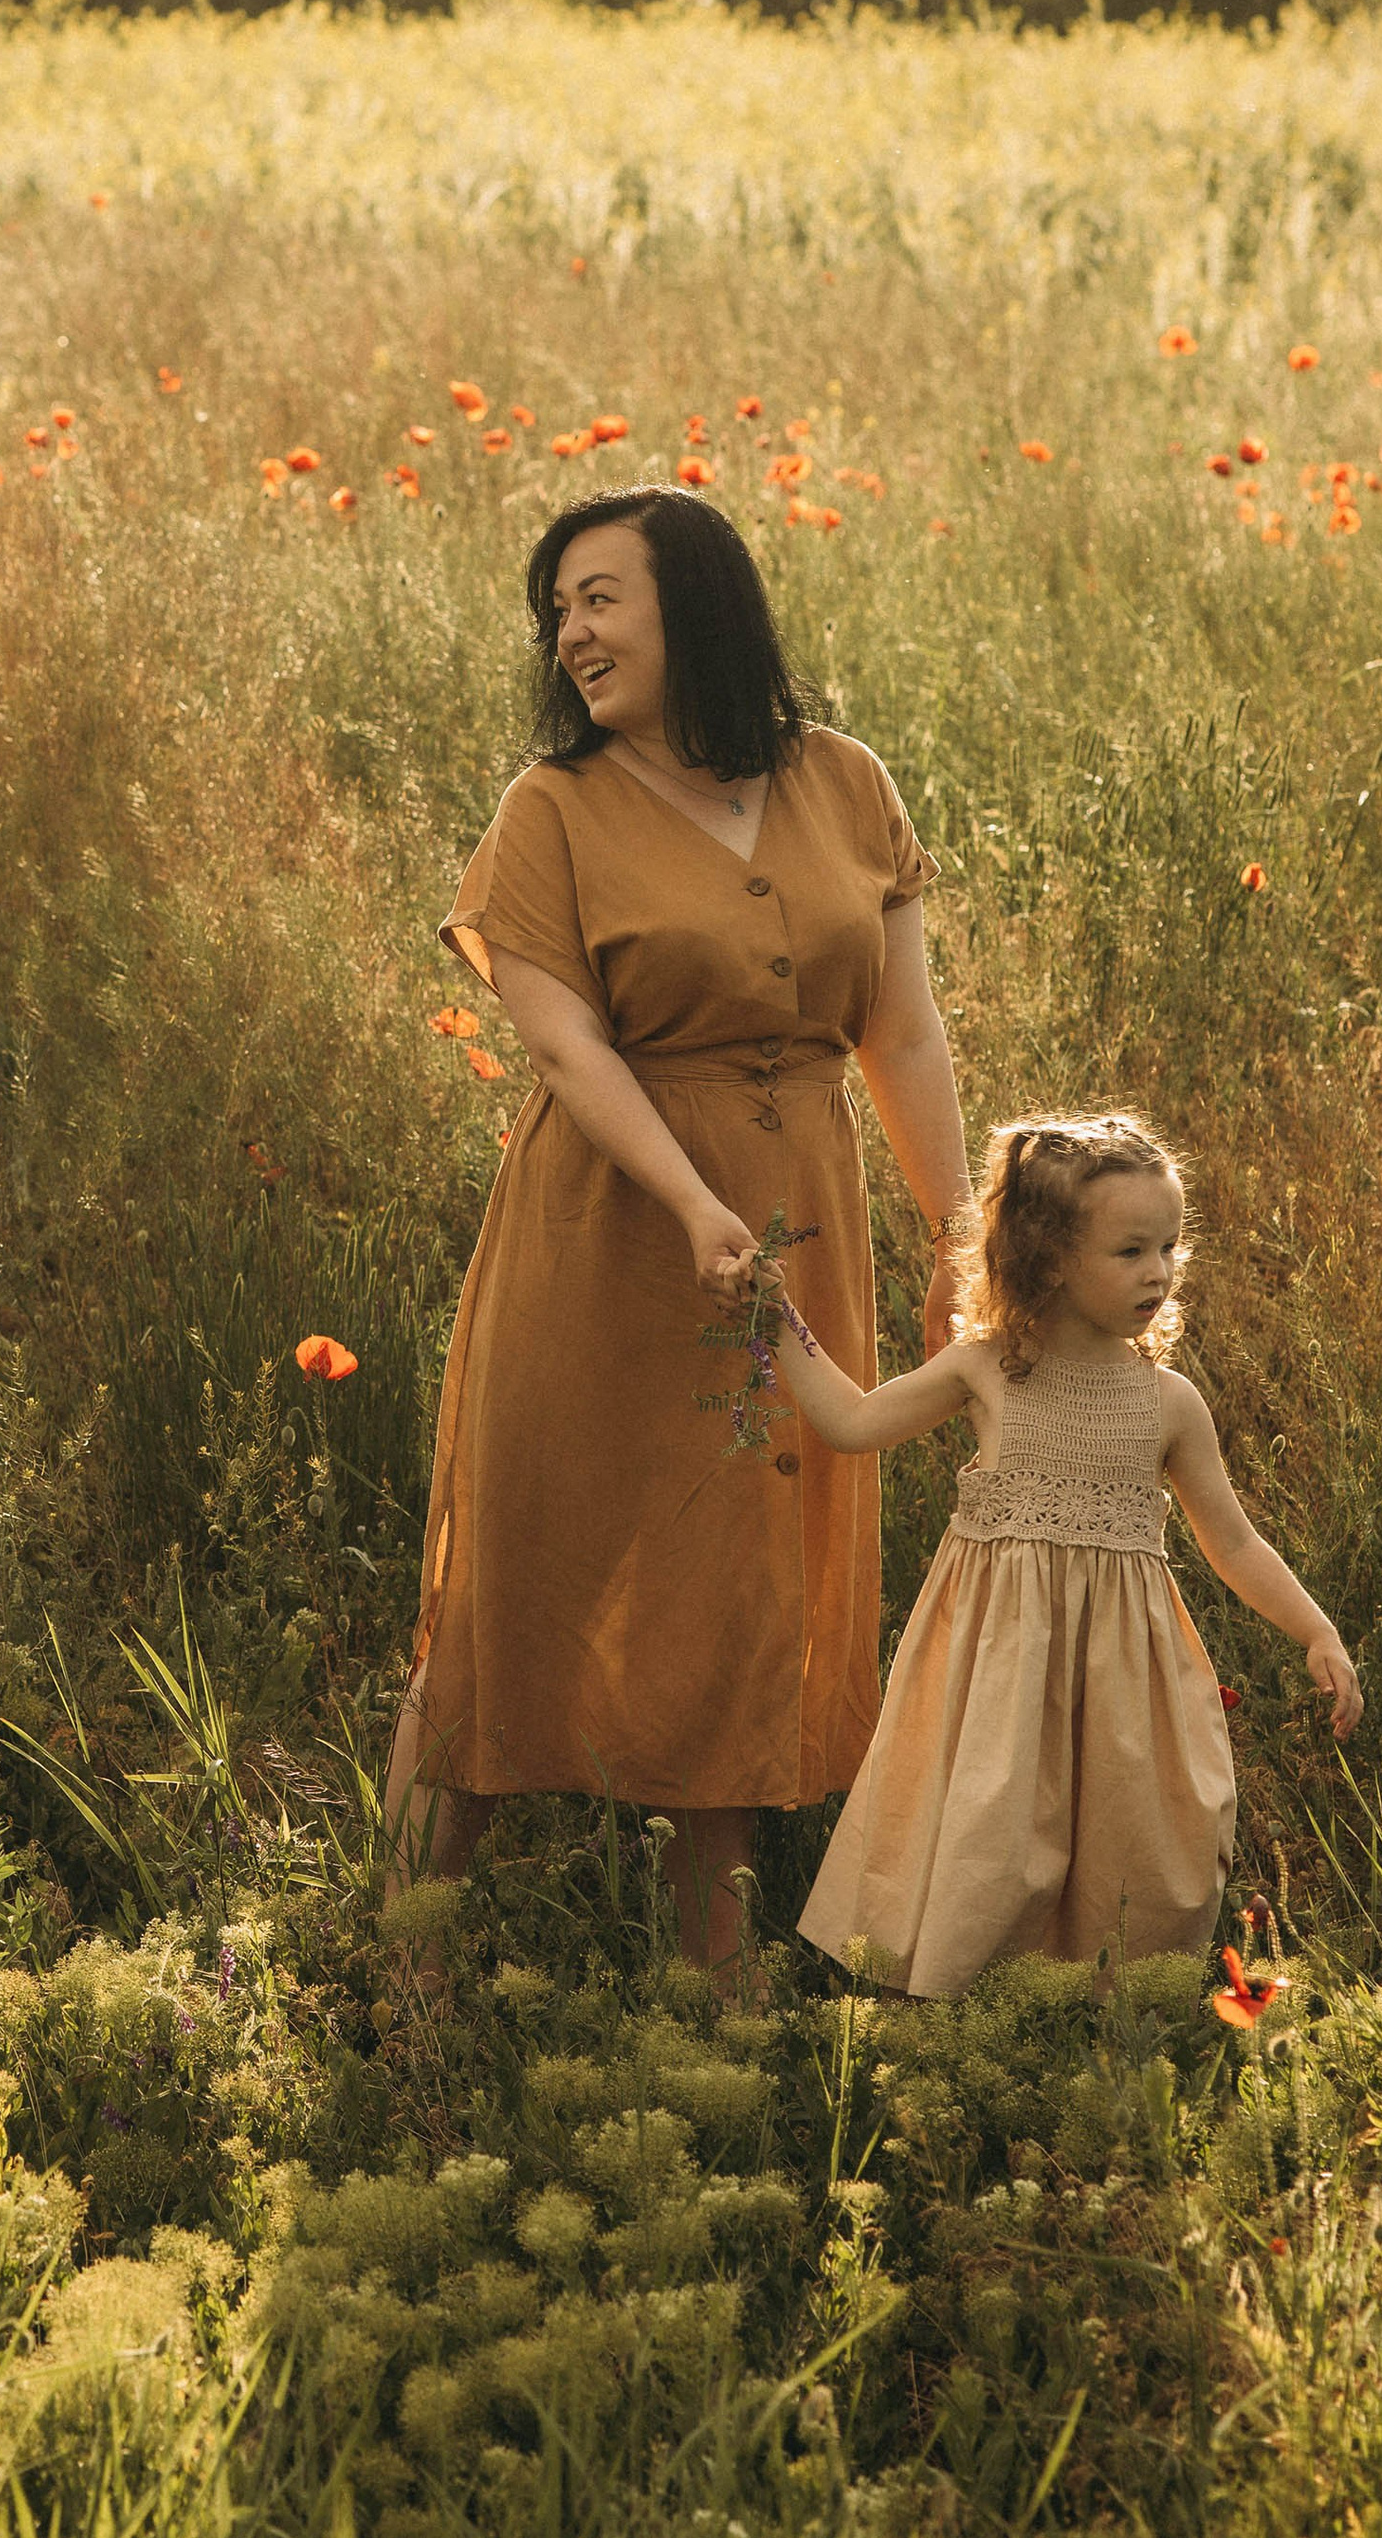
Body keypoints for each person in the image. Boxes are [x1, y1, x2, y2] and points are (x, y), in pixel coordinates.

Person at [387, 483, 973, 1973]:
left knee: (744, 1587)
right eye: (558, 611)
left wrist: (961, 1241)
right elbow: (564, 1046)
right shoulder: (551, 810)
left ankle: (716, 1994)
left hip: (803, 1224)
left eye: (599, 597)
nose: (570, 635)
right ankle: (404, 1970)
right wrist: (694, 1203)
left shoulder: (845, 781)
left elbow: (903, 1036)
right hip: (608, 1235)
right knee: (521, 1583)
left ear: (693, 603)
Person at [758, 1111, 1360, 1995]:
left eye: (1169, 1247)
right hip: (999, 1662)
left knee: (1135, 1833)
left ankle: (1106, 2000)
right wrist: (775, 1318)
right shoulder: (988, 1367)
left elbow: (1230, 1539)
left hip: (1123, 1673)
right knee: (991, 1830)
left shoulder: (1169, 1402)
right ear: (1046, 1258)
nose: (1157, 1271)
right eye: (1130, 1251)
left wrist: (1316, 1631)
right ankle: (953, 1995)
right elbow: (851, 1423)